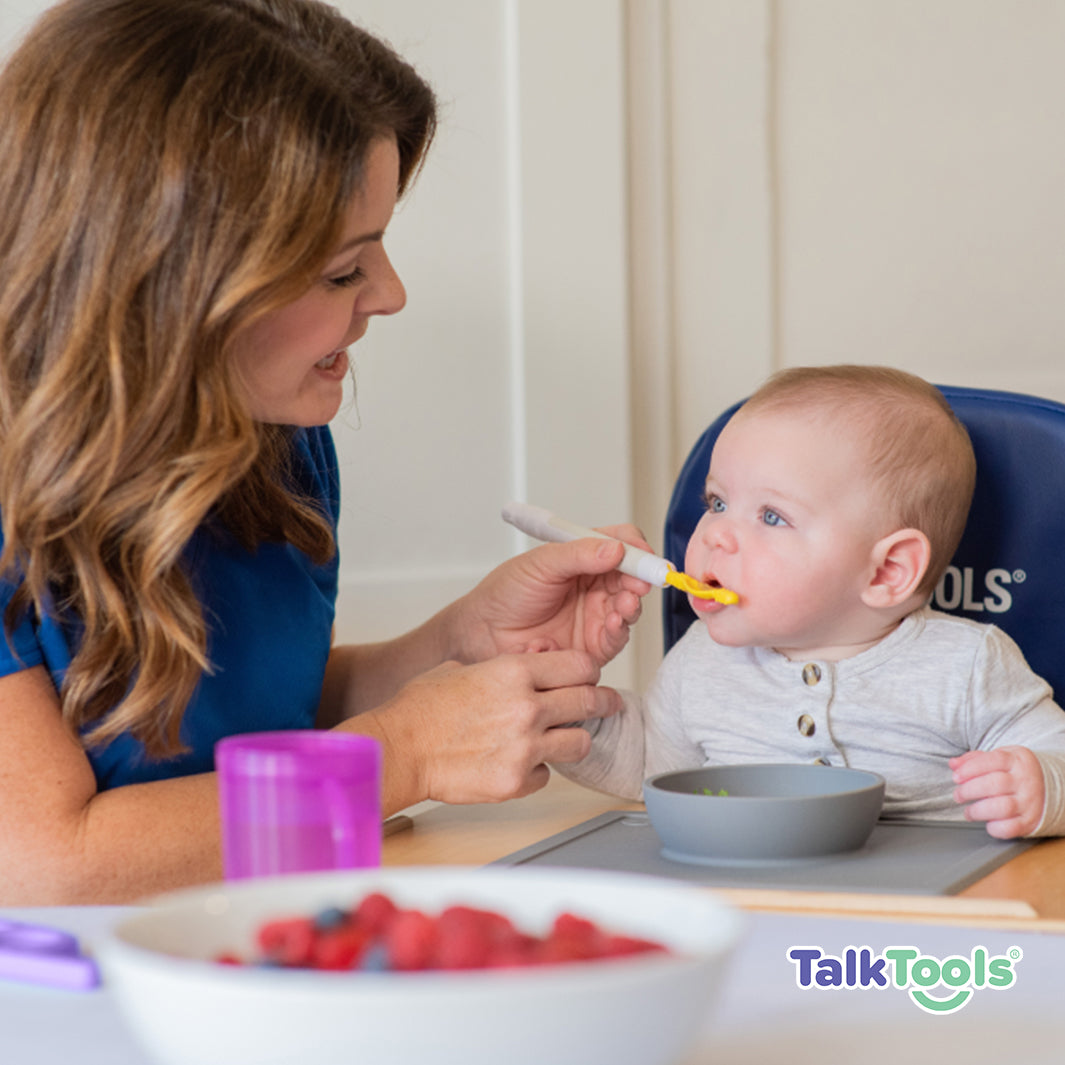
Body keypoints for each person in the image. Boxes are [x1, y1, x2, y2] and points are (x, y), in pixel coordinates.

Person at [0, 0, 650, 904]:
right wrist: (409, 754)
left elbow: (244, 727)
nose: (390, 294)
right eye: (344, 268)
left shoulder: (273, 449)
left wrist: (452, 648)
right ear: (167, 281)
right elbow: (45, 863)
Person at [556, 365, 1065, 839]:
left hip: (929, 909)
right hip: (758, 894)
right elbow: (649, 761)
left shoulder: (967, 666)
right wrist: (557, 702)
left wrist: (1041, 788)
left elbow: (1056, 755)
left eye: (772, 516)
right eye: (716, 503)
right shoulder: (700, 662)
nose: (715, 535)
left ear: (888, 571)